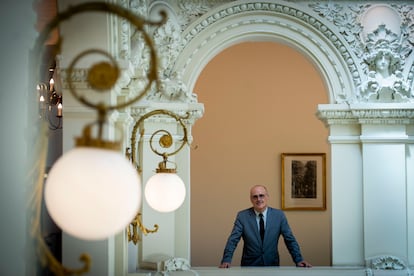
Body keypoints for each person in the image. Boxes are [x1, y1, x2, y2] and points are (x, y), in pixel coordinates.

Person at [219, 185, 312, 268]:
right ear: (251, 199)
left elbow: (290, 240)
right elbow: (233, 240)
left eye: (261, 195)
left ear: (267, 197)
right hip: (249, 266)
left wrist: (299, 260)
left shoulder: (279, 216)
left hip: (272, 265)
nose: (258, 199)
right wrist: (226, 260)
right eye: (255, 197)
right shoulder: (242, 216)